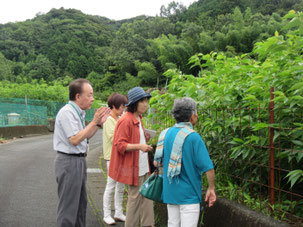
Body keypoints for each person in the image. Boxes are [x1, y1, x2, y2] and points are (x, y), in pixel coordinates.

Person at [53, 78, 110, 227]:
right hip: (68, 162)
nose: (92, 99)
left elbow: (85, 135)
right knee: (69, 207)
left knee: (80, 204)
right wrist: (94, 121)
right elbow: (75, 139)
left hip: (78, 160)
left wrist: (98, 123)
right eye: (89, 95)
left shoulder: (78, 112)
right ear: (78, 96)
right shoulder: (67, 112)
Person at [154, 97, 216, 227]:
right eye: (196, 112)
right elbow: (208, 168)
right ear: (192, 116)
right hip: (189, 196)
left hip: (170, 193)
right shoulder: (193, 137)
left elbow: (156, 163)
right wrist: (211, 188)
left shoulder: (165, 134)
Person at [108, 87, 155, 227]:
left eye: (146, 100)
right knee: (134, 200)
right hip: (134, 167)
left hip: (143, 166)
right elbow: (120, 145)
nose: (146, 104)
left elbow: (134, 139)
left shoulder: (138, 118)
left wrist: (144, 138)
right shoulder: (125, 120)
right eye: (142, 101)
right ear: (135, 103)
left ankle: (148, 224)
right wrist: (140, 146)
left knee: (147, 197)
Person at [102, 93, 128, 225]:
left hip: (120, 158)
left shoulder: (117, 119)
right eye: (122, 106)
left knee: (120, 187)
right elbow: (115, 140)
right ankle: (106, 214)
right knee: (111, 186)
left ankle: (118, 212)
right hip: (112, 158)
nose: (123, 109)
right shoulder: (109, 121)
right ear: (114, 106)